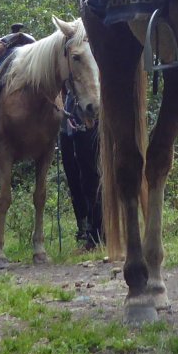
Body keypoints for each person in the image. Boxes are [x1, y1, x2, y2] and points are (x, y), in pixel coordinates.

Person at [57, 88, 103, 251]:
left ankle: (96, 234)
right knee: (75, 181)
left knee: (90, 179)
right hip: (68, 129)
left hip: (86, 126)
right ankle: (84, 229)